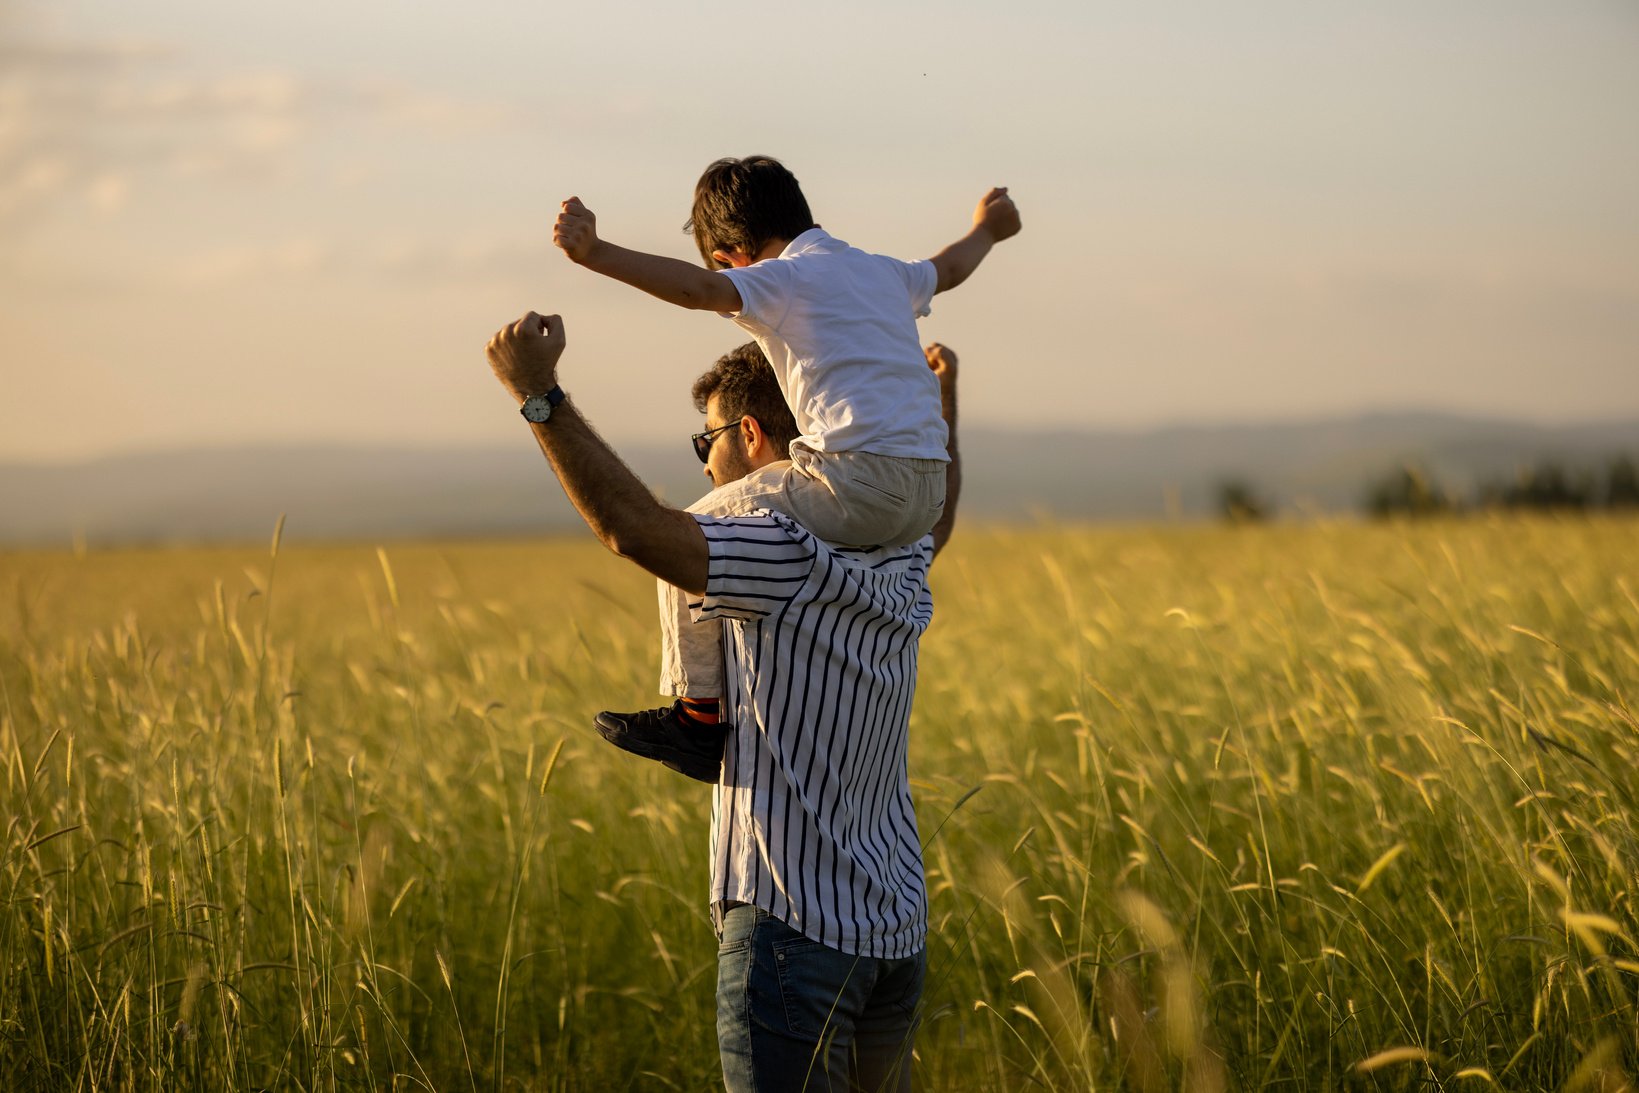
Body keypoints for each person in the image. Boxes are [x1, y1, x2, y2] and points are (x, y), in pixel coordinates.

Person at [484, 311, 963, 1091]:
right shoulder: (896, 543)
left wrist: (537, 392)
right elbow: (935, 514)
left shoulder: (778, 551)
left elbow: (634, 529)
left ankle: (693, 718)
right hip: (895, 924)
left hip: (792, 924)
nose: (705, 464)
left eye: (708, 441)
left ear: (752, 435)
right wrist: (940, 411)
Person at [551, 155, 1014, 759]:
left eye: (725, 266)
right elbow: (951, 267)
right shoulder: (884, 272)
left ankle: (697, 716)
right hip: (925, 494)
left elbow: (697, 292)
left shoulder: (781, 277)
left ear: (733, 253)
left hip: (852, 482)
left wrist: (595, 252)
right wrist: (989, 228)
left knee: (693, 528)